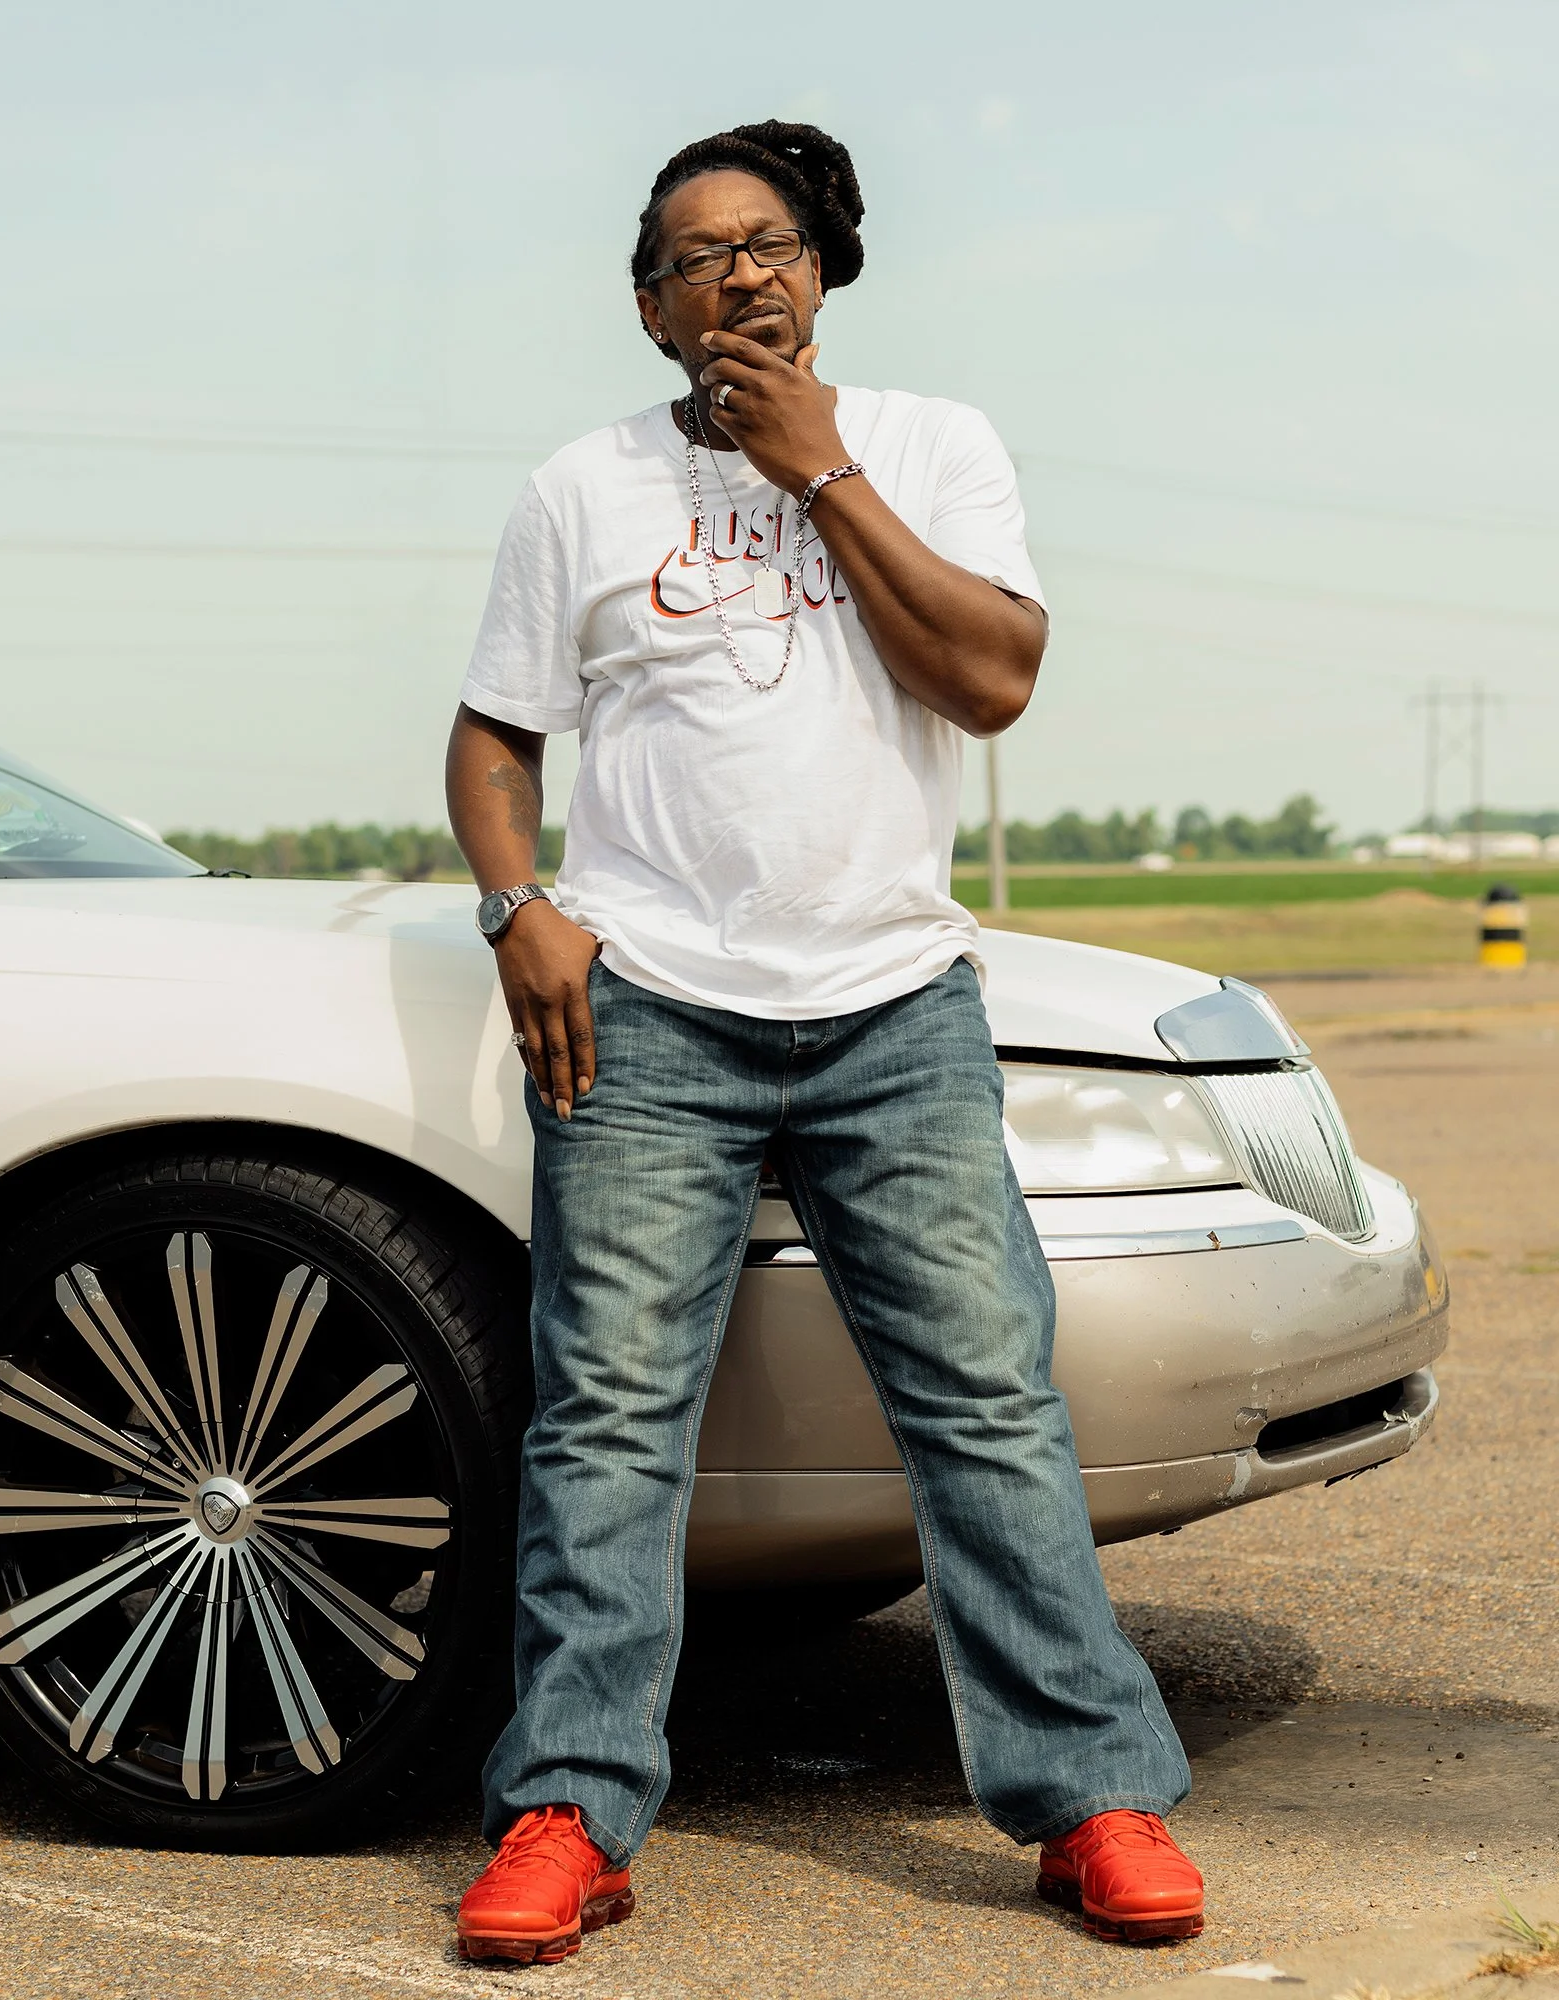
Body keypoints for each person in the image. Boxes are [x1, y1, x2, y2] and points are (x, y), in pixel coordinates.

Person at [444, 119, 1204, 1967]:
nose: (739, 275)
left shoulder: (936, 446)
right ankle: (567, 1809)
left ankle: (1089, 1798)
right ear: (649, 306)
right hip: (651, 1017)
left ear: (825, 266)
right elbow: (491, 740)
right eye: (695, 255)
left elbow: (993, 677)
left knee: (986, 1410)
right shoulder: (580, 490)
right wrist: (516, 906)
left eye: (768, 243)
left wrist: (822, 468)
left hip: (894, 1008)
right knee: (609, 1424)